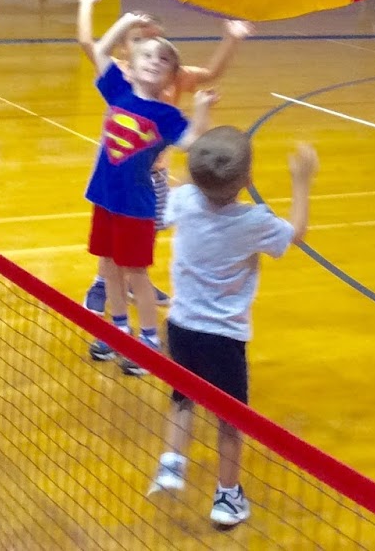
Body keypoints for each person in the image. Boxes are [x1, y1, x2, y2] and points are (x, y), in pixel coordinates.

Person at [148, 128, 315, 528]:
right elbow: (296, 235)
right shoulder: (255, 221)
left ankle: (171, 464)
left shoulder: (185, 199)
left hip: (181, 325)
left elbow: (163, 213)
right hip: (224, 336)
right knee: (230, 419)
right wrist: (302, 182)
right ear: (248, 180)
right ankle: (227, 496)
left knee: (182, 398)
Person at [75, 0, 253, 313]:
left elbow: (211, 76)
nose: (152, 48)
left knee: (145, 231)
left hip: (154, 172)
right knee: (111, 238)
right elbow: (89, 43)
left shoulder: (173, 75)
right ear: (126, 47)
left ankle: (134, 278)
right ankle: (104, 281)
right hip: (119, 170)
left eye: (157, 40)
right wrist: (88, 6)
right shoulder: (121, 75)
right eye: (141, 39)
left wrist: (232, 38)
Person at [84, 11, 214, 374]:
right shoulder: (118, 90)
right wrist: (124, 23)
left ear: (173, 78)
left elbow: (192, 143)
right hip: (104, 201)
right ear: (133, 63)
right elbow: (99, 49)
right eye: (148, 55)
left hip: (136, 208)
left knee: (135, 275)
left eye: (165, 59)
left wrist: (202, 112)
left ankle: (148, 342)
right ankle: (117, 330)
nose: (155, 61)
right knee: (109, 269)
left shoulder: (167, 115)